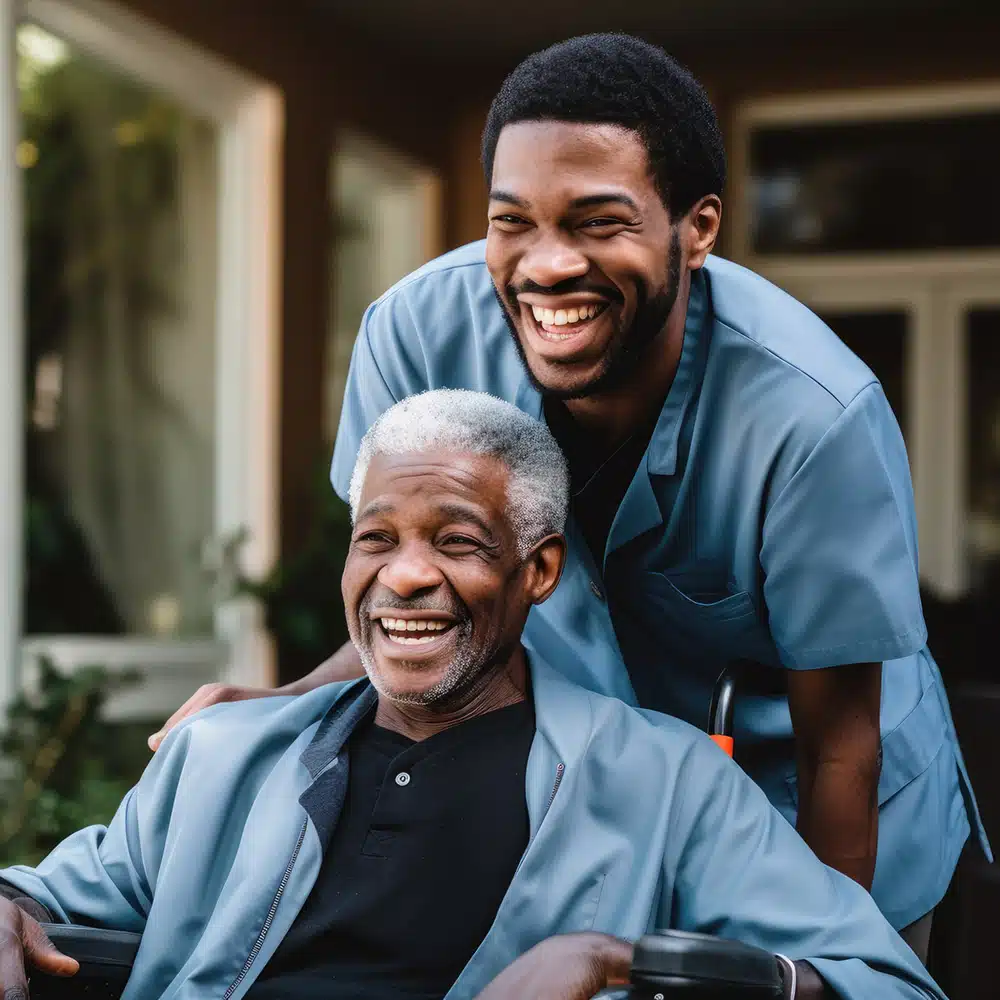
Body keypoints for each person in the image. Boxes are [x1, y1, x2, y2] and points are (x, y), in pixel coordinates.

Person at [150, 34, 989, 958]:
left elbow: (842, 745)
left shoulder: (813, 418)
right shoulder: (416, 337)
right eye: (512, 221)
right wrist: (281, 707)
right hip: (609, 814)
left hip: (814, 810)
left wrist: (824, 961)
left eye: (598, 222)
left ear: (698, 229)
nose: (547, 265)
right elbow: (414, 588)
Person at [2, 392, 946, 1000]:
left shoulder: (666, 781)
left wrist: (616, 960)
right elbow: (43, 897)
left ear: (539, 571)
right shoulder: (224, 755)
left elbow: (883, 982)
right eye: (376, 540)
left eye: (455, 542)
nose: (405, 576)